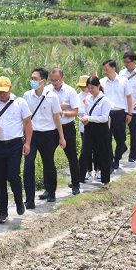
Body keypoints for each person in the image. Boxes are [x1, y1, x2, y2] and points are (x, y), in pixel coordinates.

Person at [0, 76, 32, 223]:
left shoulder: (20, 103)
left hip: (15, 144)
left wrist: (28, 143)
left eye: (4, 92)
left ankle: (19, 200)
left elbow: (28, 124)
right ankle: (2, 212)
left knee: (13, 175)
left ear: (10, 89)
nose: (2, 95)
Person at [23, 67, 66, 208]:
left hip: (48, 134)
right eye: (31, 78)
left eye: (35, 79)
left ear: (43, 81)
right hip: (32, 135)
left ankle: (51, 192)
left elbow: (57, 118)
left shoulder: (52, 97)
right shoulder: (27, 96)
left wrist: (61, 137)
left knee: (48, 163)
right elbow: (24, 118)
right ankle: (30, 199)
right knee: (28, 165)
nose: (32, 81)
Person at [44, 67, 81, 195]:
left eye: (57, 80)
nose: (55, 83)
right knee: (47, 158)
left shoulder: (70, 91)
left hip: (67, 127)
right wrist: (58, 107)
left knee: (71, 156)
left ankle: (75, 184)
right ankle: (48, 188)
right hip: (51, 128)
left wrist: (62, 113)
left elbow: (75, 112)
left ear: (63, 78)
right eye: (53, 80)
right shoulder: (47, 91)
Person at [99, 59, 133, 170]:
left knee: (120, 139)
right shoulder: (102, 82)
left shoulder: (123, 81)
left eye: (107, 69)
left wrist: (130, 113)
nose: (105, 72)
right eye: (104, 70)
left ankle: (117, 158)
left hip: (120, 113)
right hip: (107, 114)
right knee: (106, 138)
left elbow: (129, 97)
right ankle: (110, 162)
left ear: (113, 68)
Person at [80, 76, 113, 187]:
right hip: (89, 128)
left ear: (98, 86)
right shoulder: (88, 99)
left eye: (92, 87)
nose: (90, 90)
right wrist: (85, 119)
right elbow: (85, 112)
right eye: (88, 88)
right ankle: (79, 179)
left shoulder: (105, 100)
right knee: (85, 153)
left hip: (101, 129)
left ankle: (105, 180)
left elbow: (104, 118)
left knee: (103, 154)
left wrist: (88, 118)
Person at [121, 51, 136, 163]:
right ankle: (122, 147)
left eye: (128, 62)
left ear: (134, 62)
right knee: (119, 131)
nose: (126, 64)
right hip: (122, 107)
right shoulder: (121, 73)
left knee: (134, 132)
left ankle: (133, 155)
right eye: (124, 62)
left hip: (135, 108)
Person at [75, 75, 96, 182]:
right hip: (84, 127)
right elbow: (77, 110)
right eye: (82, 87)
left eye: (86, 86)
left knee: (95, 150)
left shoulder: (94, 96)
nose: (84, 89)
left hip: (95, 126)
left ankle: (97, 170)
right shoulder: (78, 96)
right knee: (85, 151)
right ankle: (88, 172)